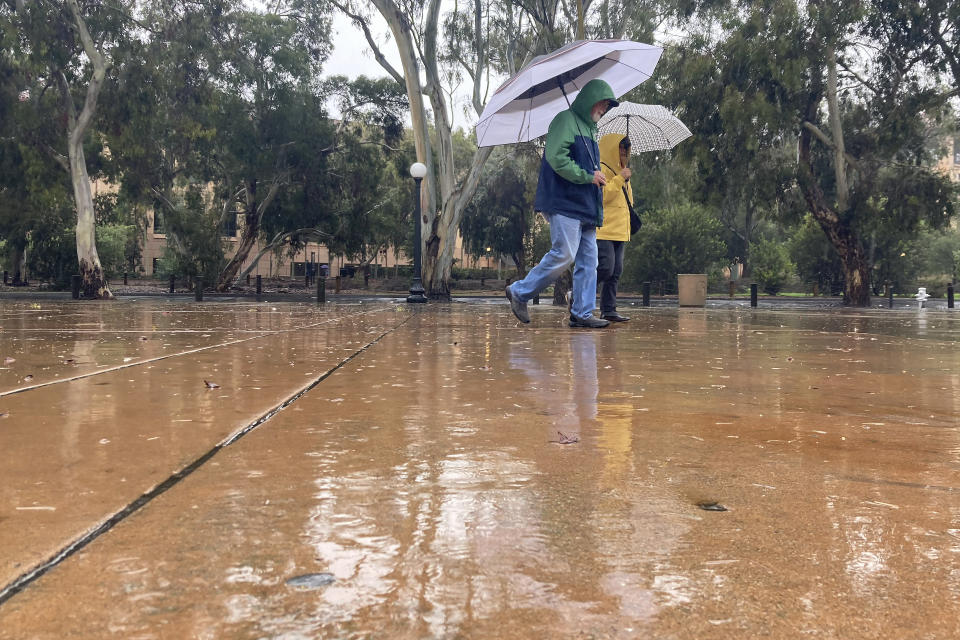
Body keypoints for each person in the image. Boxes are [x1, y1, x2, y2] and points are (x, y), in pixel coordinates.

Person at [505, 78, 619, 329]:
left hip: (587, 207)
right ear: (590, 99)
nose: (604, 108)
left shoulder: (591, 129)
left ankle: (582, 312)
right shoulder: (565, 120)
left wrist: (596, 177)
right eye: (601, 103)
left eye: (607, 106)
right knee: (564, 254)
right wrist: (589, 176)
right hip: (565, 204)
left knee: (590, 262)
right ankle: (520, 292)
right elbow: (557, 158)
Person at [595, 133, 634, 322]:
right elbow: (602, 197)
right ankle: (577, 295)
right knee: (605, 268)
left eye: (626, 149)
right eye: (620, 148)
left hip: (620, 230)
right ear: (612, 148)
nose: (624, 153)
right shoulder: (601, 168)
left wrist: (623, 178)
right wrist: (619, 179)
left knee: (616, 272)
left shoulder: (623, 171)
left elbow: (628, 203)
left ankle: (609, 309)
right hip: (604, 229)